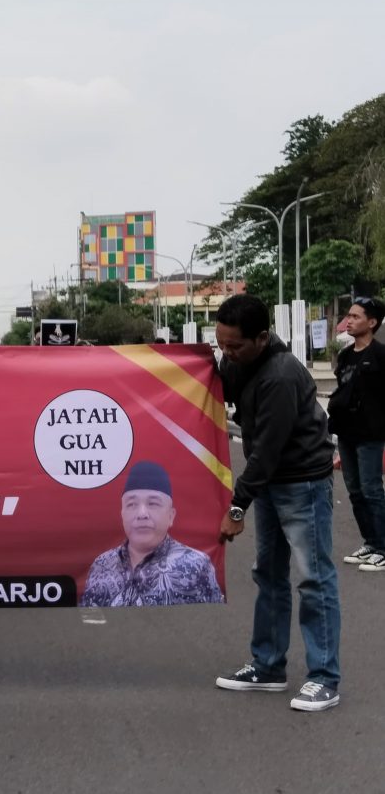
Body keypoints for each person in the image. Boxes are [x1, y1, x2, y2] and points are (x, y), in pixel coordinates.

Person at [214, 294, 340, 712]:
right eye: (221, 345)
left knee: (313, 579)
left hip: (302, 484)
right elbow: (210, 391)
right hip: (270, 485)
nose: (227, 355)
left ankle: (324, 678)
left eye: (235, 346)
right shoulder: (238, 362)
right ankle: (268, 666)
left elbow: (267, 450)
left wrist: (236, 507)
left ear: (262, 337)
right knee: (268, 574)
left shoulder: (281, 376)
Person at [80, 461, 223, 607]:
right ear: (122, 514)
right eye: (132, 504)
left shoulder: (196, 565)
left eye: (153, 504)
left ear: (171, 516)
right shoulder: (102, 564)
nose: (142, 514)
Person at [327, 295, 385, 572]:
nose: (348, 321)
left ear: (371, 323)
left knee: (373, 490)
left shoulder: (381, 355)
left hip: (371, 434)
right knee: (354, 490)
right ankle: (371, 543)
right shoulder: (346, 355)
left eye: (355, 316)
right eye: (348, 316)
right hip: (346, 434)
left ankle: (383, 548)